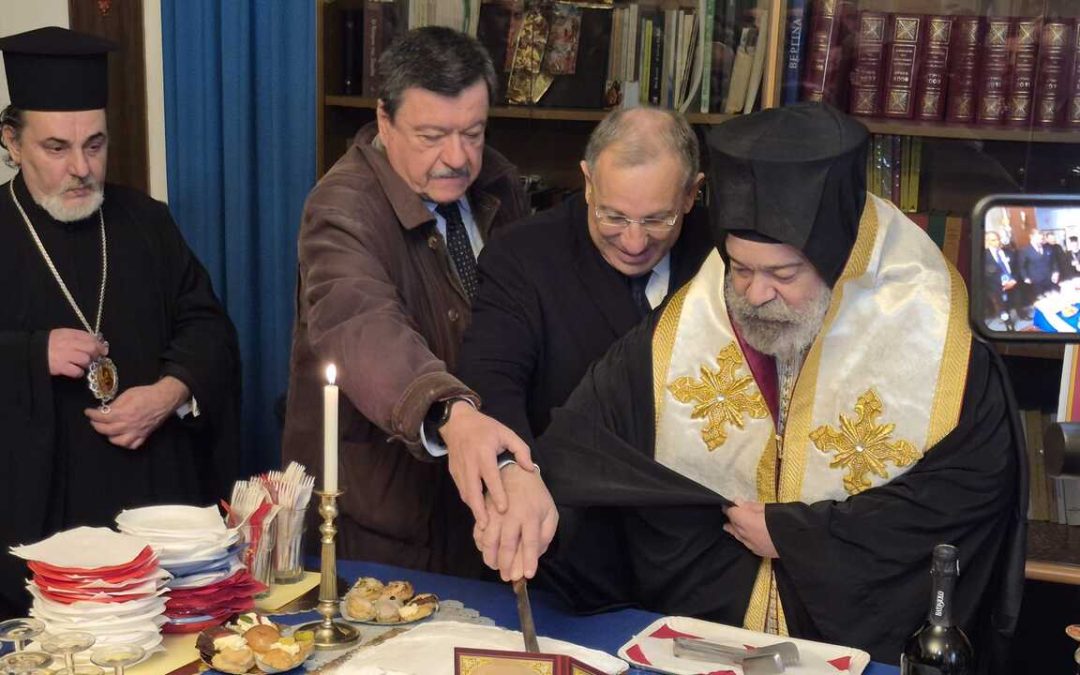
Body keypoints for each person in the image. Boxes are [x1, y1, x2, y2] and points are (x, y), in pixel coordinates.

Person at [475, 104, 1025, 670]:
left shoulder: (927, 325)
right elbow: (589, 434)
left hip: (852, 636)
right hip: (704, 640)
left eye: (783, 275)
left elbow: (968, 491)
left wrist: (800, 535)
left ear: (838, 263)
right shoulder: (698, 313)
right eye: (739, 268)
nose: (755, 295)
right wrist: (529, 483)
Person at [0, 27, 240, 617]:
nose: (82, 168)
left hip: (156, 509)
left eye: (96, 144)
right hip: (42, 521)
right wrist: (32, 354)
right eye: (57, 148)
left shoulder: (146, 222)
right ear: (11, 142)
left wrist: (169, 392)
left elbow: (209, 326)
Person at [281, 26, 532, 577]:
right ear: (384, 120)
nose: (458, 157)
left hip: (482, 501)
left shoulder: (500, 183)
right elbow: (361, 324)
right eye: (432, 135)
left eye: (473, 132)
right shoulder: (340, 207)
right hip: (383, 513)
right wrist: (448, 410)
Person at [455, 107, 712, 585]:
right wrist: (512, 470)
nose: (634, 242)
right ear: (588, 182)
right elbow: (491, 380)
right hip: (564, 549)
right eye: (613, 216)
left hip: (695, 554)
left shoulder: (725, 256)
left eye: (657, 219)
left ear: (693, 192)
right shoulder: (523, 256)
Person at [982, 230, 1022, 323]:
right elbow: (985, 275)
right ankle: (1008, 322)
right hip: (997, 287)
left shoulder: (1008, 252)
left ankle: (1022, 314)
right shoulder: (983, 255)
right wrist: (1000, 285)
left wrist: (1014, 280)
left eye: (998, 239)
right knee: (1003, 307)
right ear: (987, 241)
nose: (997, 242)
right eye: (993, 240)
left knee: (1017, 300)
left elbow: (1016, 267)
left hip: (1013, 282)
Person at [1019, 228, 1060, 297]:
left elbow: (1054, 262)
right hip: (1036, 282)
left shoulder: (1048, 248)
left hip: (1051, 280)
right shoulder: (1025, 250)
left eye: (1042, 238)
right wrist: (1025, 278)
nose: (1041, 240)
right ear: (1031, 237)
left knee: (1055, 299)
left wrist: (1056, 272)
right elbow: (1022, 266)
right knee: (1042, 302)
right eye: (1039, 238)